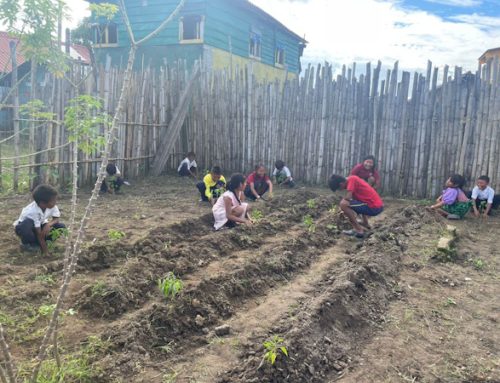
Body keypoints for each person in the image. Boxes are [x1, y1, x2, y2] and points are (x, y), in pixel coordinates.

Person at [13, 184, 66, 254]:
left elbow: (56, 218)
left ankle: (41, 243)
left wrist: (48, 225)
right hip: (27, 228)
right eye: (53, 200)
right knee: (26, 226)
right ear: (43, 203)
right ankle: (27, 244)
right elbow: (39, 233)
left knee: (61, 227)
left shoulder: (52, 206)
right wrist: (45, 251)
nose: (55, 202)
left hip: (39, 225)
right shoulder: (32, 211)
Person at [329, 174, 384, 238]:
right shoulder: (352, 180)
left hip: (374, 207)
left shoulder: (352, 179)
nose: (340, 190)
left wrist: (344, 210)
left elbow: (348, 197)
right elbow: (357, 201)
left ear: (341, 184)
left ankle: (359, 230)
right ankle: (365, 223)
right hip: (375, 206)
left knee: (343, 204)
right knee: (353, 202)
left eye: (338, 189)